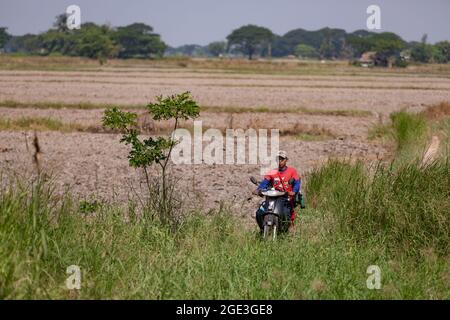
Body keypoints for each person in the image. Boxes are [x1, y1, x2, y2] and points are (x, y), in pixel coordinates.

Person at [253, 150, 301, 230]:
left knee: (286, 214)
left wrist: (294, 191)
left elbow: (297, 183)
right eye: (278, 159)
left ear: (286, 160)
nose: (279, 161)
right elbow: (265, 182)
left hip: (285, 199)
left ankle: (284, 231)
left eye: (282, 159)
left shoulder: (292, 171)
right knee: (259, 213)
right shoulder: (272, 172)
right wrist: (259, 189)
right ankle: (263, 229)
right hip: (272, 198)